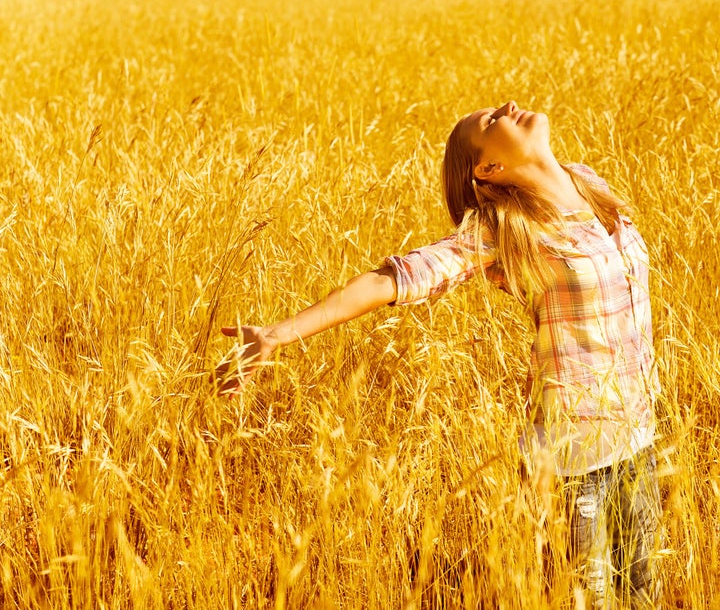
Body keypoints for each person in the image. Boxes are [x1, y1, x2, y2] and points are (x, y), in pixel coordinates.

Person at [215, 101, 663, 608]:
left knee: (645, 595)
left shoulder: (588, 184)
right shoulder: (506, 227)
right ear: (488, 169)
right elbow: (400, 278)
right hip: (572, 460)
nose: (508, 107)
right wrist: (279, 333)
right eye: (492, 122)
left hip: (639, 437)